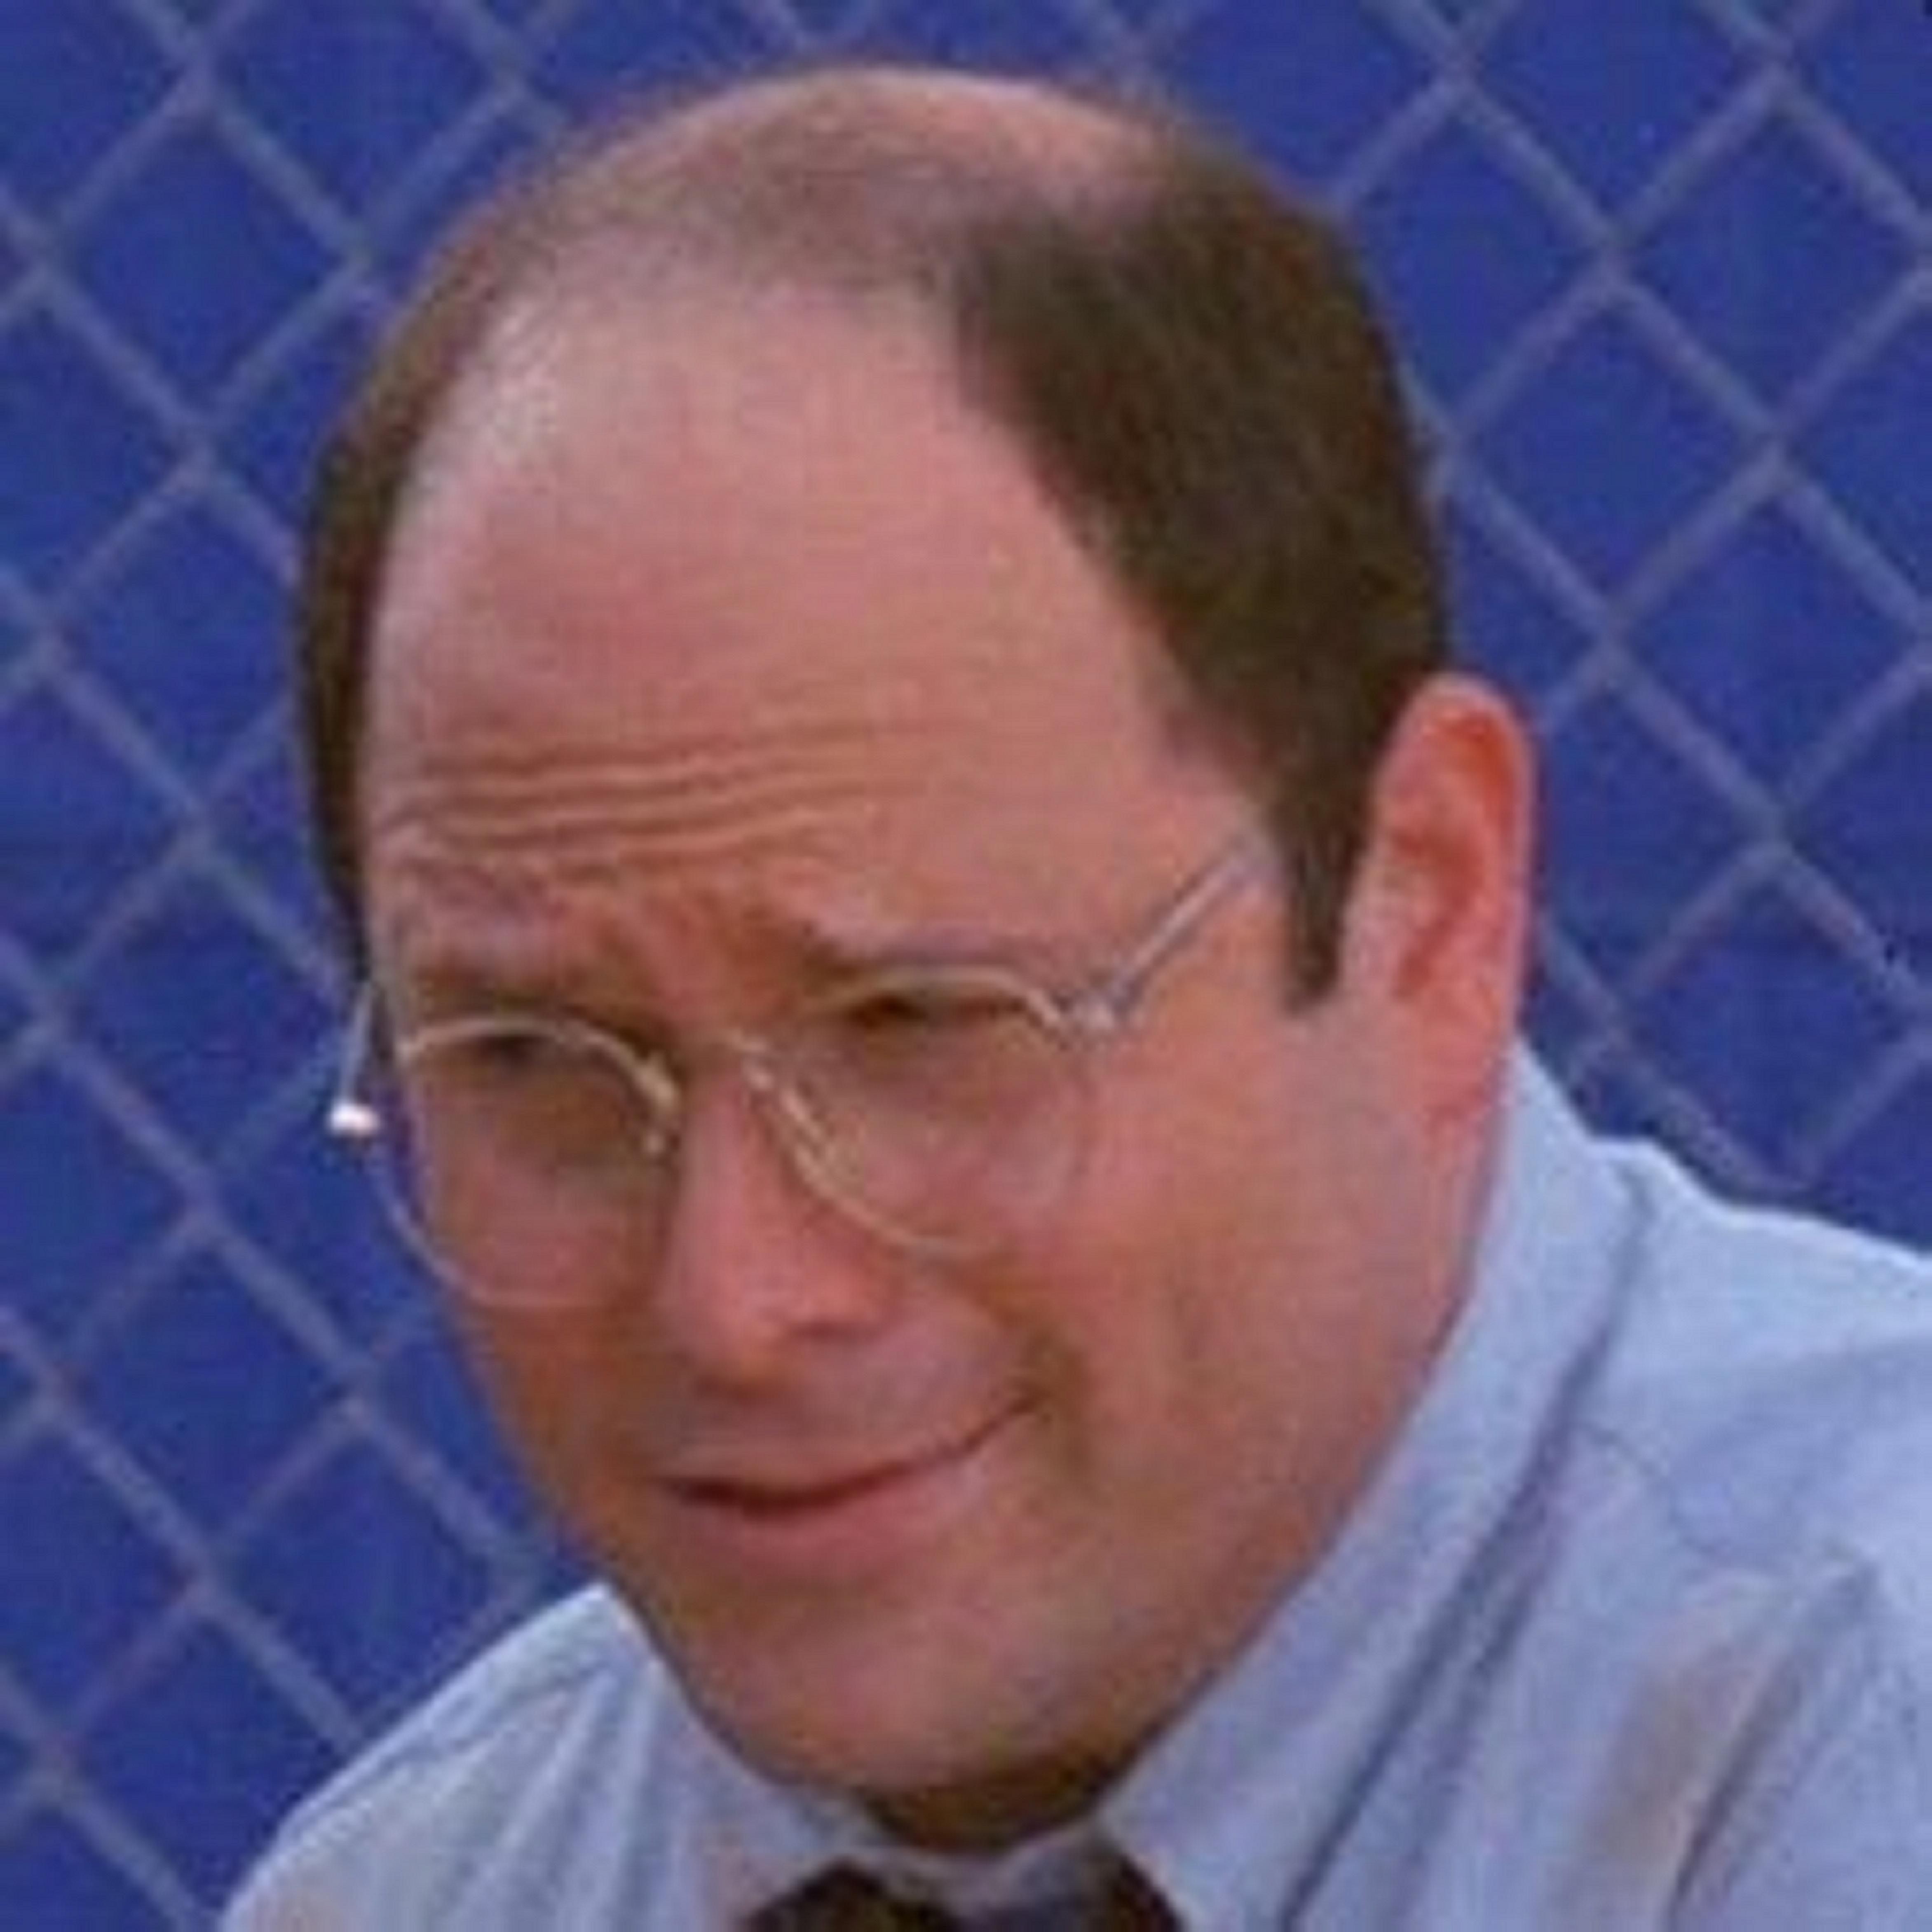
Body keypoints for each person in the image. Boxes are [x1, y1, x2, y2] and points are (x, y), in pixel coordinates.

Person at [225, 61, 1932, 1931]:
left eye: (919, 1027)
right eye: (539, 1059)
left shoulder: (1865, 1722)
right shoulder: (420, 1887)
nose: (735, 1301)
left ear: (1422, 907)